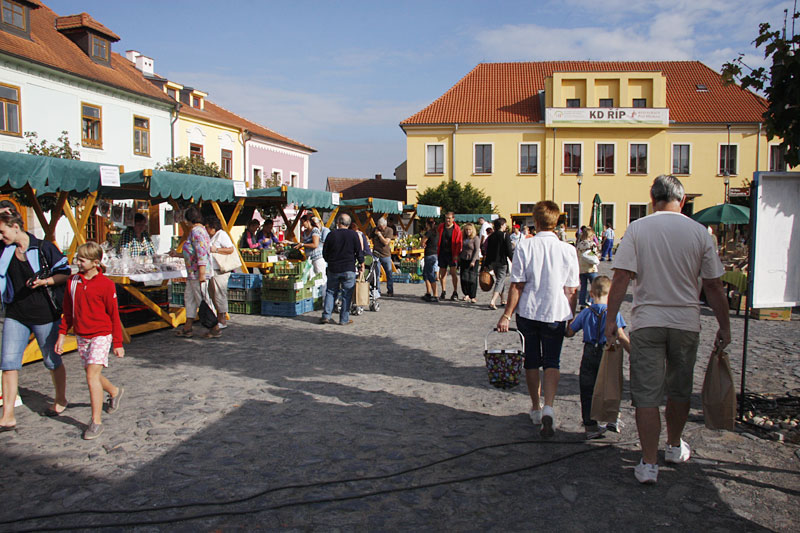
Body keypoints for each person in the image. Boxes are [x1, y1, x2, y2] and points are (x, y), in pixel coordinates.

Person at [605, 174, 731, 485]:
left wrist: (611, 320)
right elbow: (714, 286)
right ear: (683, 200)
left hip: (648, 321)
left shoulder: (638, 228)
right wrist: (725, 326)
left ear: (653, 199)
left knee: (646, 395)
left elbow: (620, 278)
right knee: (679, 389)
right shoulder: (700, 232)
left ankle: (648, 463)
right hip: (686, 322)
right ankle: (674, 446)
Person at [497, 201, 579, 438]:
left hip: (529, 311)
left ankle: (535, 406)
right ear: (557, 221)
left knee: (531, 361)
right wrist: (571, 318)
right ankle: (550, 406)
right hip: (555, 312)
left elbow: (517, 284)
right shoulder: (568, 250)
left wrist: (506, 314)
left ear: (536, 220)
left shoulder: (526, 245)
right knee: (553, 361)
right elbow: (572, 289)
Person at [0, 211, 71, 431]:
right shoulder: (3, 251)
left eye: (3, 232)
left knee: (51, 360)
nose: (1, 237)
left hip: (43, 314)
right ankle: (8, 415)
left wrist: (45, 281)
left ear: (15, 227)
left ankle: (60, 399)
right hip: (15, 314)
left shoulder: (42, 248)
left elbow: (65, 272)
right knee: (8, 363)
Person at [55, 242, 124, 440]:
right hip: (82, 334)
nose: (77, 262)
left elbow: (114, 315)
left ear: (95, 263)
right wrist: (61, 334)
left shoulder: (106, 285)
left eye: (81, 260)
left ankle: (95, 421)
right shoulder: (73, 281)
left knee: (91, 375)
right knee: (91, 373)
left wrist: (117, 343)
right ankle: (114, 390)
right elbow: (67, 311)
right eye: (77, 258)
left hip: (101, 334)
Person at [565, 276, 630, 440]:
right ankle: (612, 418)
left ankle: (590, 425)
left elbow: (570, 332)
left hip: (589, 352)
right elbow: (621, 335)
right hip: (608, 352)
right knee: (611, 385)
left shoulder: (586, 312)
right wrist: (634, 352)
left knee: (587, 388)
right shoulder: (613, 313)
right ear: (610, 294)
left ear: (591, 293)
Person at [174, 205, 218, 339]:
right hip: (193, 273)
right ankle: (188, 326)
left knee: (202, 299)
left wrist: (202, 273)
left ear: (189, 220)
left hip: (198, 273)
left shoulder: (197, 232)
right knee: (190, 298)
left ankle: (214, 326)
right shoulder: (199, 231)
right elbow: (193, 253)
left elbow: (202, 253)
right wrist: (177, 255)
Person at [320, 213, 364, 325]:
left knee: (330, 291)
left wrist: (329, 261)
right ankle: (344, 319)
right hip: (348, 268)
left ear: (338, 222)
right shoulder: (354, 235)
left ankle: (326, 315)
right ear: (349, 224)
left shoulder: (331, 234)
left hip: (333, 267)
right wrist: (361, 264)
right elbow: (359, 251)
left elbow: (325, 252)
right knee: (347, 294)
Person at [205, 216, 236, 330]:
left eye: (207, 227)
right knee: (213, 294)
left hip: (220, 270)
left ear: (213, 227)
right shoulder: (210, 236)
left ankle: (222, 319)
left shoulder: (221, 235)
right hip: (212, 270)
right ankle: (217, 318)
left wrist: (216, 250)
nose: (206, 229)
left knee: (219, 294)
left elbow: (231, 249)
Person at [486, 218, 513, 310]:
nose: (506, 226)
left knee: (499, 280)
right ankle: (493, 301)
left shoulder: (491, 236)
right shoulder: (505, 235)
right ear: (502, 225)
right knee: (500, 281)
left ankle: (503, 299)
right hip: (502, 261)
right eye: (505, 224)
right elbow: (509, 250)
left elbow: (488, 251)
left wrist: (487, 264)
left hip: (493, 262)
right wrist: (513, 259)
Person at [437, 212, 462, 301]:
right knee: (442, 274)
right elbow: (437, 237)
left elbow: (459, 242)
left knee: (453, 273)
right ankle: (443, 291)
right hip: (442, 253)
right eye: (446, 218)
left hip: (452, 254)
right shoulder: (441, 227)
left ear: (453, 219)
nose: (447, 220)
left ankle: (455, 292)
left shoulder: (456, 229)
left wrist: (456, 255)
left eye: (449, 218)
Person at [370, 217, 395, 297]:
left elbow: (385, 242)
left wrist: (379, 235)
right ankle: (377, 291)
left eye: (381, 227)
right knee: (376, 274)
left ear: (385, 225)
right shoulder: (375, 229)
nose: (379, 228)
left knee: (389, 273)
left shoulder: (389, 230)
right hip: (376, 254)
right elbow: (370, 238)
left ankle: (390, 291)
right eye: (378, 226)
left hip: (386, 255)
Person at [576, 228, 600, 308]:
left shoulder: (579, 244)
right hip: (591, 268)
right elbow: (594, 254)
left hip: (582, 269)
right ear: (590, 235)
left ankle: (582, 302)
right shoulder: (591, 244)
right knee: (594, 285)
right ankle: (590, 301)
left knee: (583, 286)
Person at [458, 223, 480, 303]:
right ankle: (466, 293)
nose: (468, 231)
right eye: (466, 229)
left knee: (472, 278)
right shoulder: (464, 238)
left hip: (473, 259)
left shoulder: (475, 238)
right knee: (464, 277)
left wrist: (473, 261)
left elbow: (477, 250)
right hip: (464, 259)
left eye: (469, 230)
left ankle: (473, 295)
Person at [420, 218, 439, 302]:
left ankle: (435, 294)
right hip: (435, 254)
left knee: (430, 275)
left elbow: (423, 241)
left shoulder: (429, 232)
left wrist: (423, 244)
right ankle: (428, 293)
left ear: (427, 224)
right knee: (426, 274)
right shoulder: (436, 232)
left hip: (429, 255)